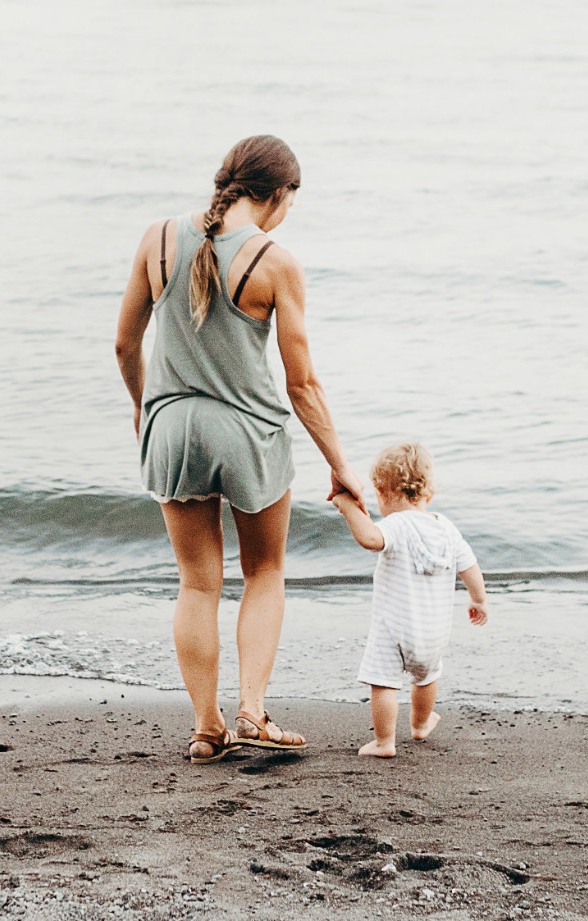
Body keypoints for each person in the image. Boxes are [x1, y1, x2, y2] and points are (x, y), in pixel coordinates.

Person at [115, 135, 365, 764]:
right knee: (265, 573)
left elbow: (124, 346)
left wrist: (149, 411)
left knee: (197, 585)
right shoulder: (275, 262)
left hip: (173, 427)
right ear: (277, 196)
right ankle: (253, 709)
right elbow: (301, 382)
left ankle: (207, 727)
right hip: (248, 431)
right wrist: (341, 466)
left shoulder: (158, 238)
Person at [330, 443, 488, 758]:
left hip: (395, 628)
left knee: (384, 683)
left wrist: (347, 506)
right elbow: (469, 566)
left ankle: (384, 742)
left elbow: (371, 539)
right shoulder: (446, 528)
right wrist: (478, 599)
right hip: (434, 630)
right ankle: (420, 723)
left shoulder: (397, 525)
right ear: (428, 493)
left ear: (383, 493)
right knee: (427, 677)